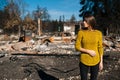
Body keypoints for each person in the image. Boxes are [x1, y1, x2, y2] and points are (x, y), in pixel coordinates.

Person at [75, 14, 103, 80]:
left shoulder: (98, 33)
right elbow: (77, 46)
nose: (83, 22)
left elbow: (100, 48)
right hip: (84, 60)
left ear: (90, 22)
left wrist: (101, 62)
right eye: (83, 21)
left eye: (85, 21)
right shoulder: (81, 32)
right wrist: (88, 51)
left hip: (96, 61)